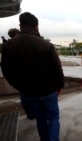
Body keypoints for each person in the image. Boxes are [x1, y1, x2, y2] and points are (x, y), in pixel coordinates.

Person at [1, 12, 64, 141]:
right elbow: (57, 69)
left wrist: (18, 85)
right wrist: (59, 86)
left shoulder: (8, 46)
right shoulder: (46, 45)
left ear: (21, 25)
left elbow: (6, 70)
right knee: (52, 118)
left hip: (27, 92)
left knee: (40, 118)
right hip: (48, 91)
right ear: (36, 26)